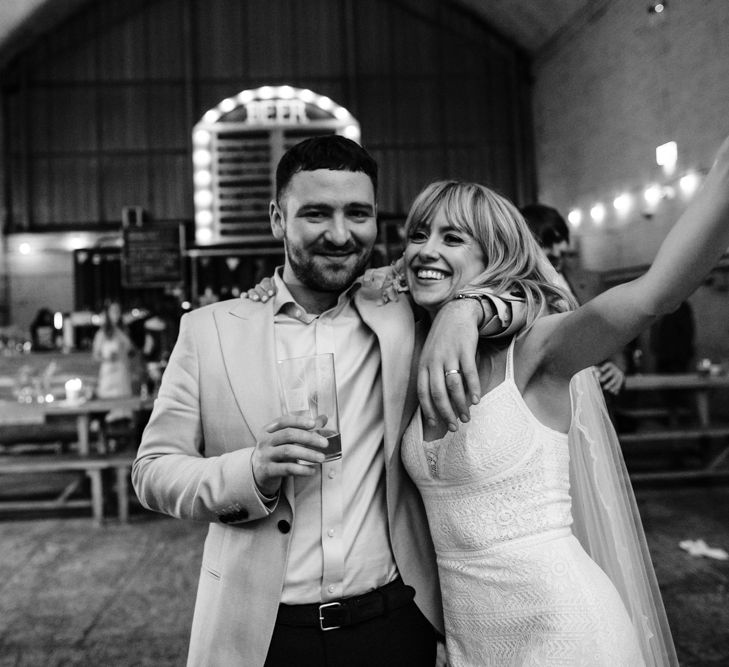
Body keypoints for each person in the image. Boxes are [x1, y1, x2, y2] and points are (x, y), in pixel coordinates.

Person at [131, 135, 523, 666]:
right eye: (316, 213)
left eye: (357, 214)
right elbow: (152, 472)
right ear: (278, 219)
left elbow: (532, 296)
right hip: (261, 631)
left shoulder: (404, 309)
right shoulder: (209, 332)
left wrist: (466, 310)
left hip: (391, 623)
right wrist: (252, 471)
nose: (340, 235)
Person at [395, 134, 729, 666]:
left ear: (492, 256)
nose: (425, 250)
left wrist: (722, 182)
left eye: (451, 237)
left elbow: (653, 295)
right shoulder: (413, 348)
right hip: (468, 640)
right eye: (418, 234)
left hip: (563, 631)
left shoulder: (536, 350)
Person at [520, 202, 626, 395]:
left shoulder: (590, 280)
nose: (559, 250)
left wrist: (617, 366)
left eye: (561, 239)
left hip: (598, 392)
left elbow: (611, 327)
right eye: (547, 243)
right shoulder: (519, 290)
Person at [92, 301, 134, 398]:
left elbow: (130, 348)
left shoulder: (124, 331)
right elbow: (95, 356)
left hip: (122, 371)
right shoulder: (102, 333)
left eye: (118, 311)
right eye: (113, 311)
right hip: (108, 373)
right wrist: (107, 359)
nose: (116, 314)